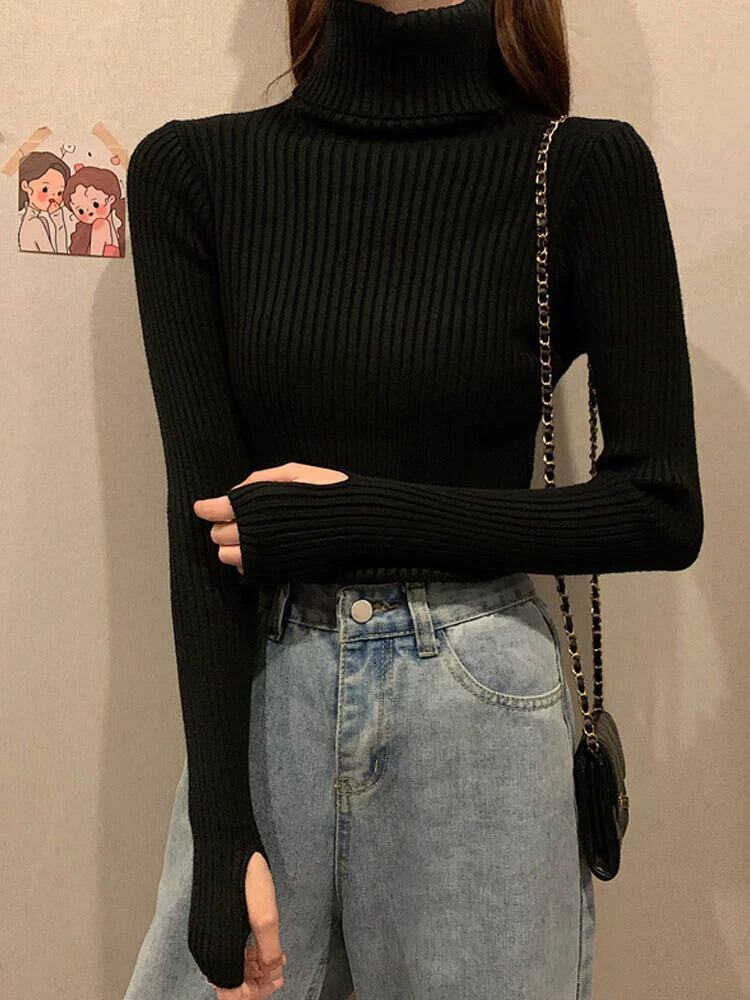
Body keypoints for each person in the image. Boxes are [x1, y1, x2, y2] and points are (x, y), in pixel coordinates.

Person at [122, 0, 704, 997]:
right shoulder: (192, 172)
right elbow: (205, 526)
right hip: (268, 701)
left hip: (479, 707)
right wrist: (220, 828)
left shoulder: (580, 172)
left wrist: (357, 517)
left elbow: (659, 508)